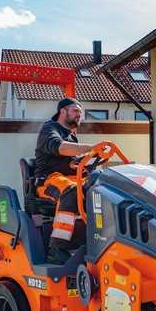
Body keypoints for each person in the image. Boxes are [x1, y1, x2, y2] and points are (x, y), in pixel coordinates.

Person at [33, 97, 95, 262]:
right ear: (63, 111)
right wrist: (91, 149)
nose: (79, 115)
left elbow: (74, 163)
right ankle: (57, 247)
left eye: (81, 113)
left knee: (98, 188)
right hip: (49, 180)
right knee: (72, 191)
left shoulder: (72, 136)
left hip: (70, 177)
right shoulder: (49, 129)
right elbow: (59, 147)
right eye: (76, 111)